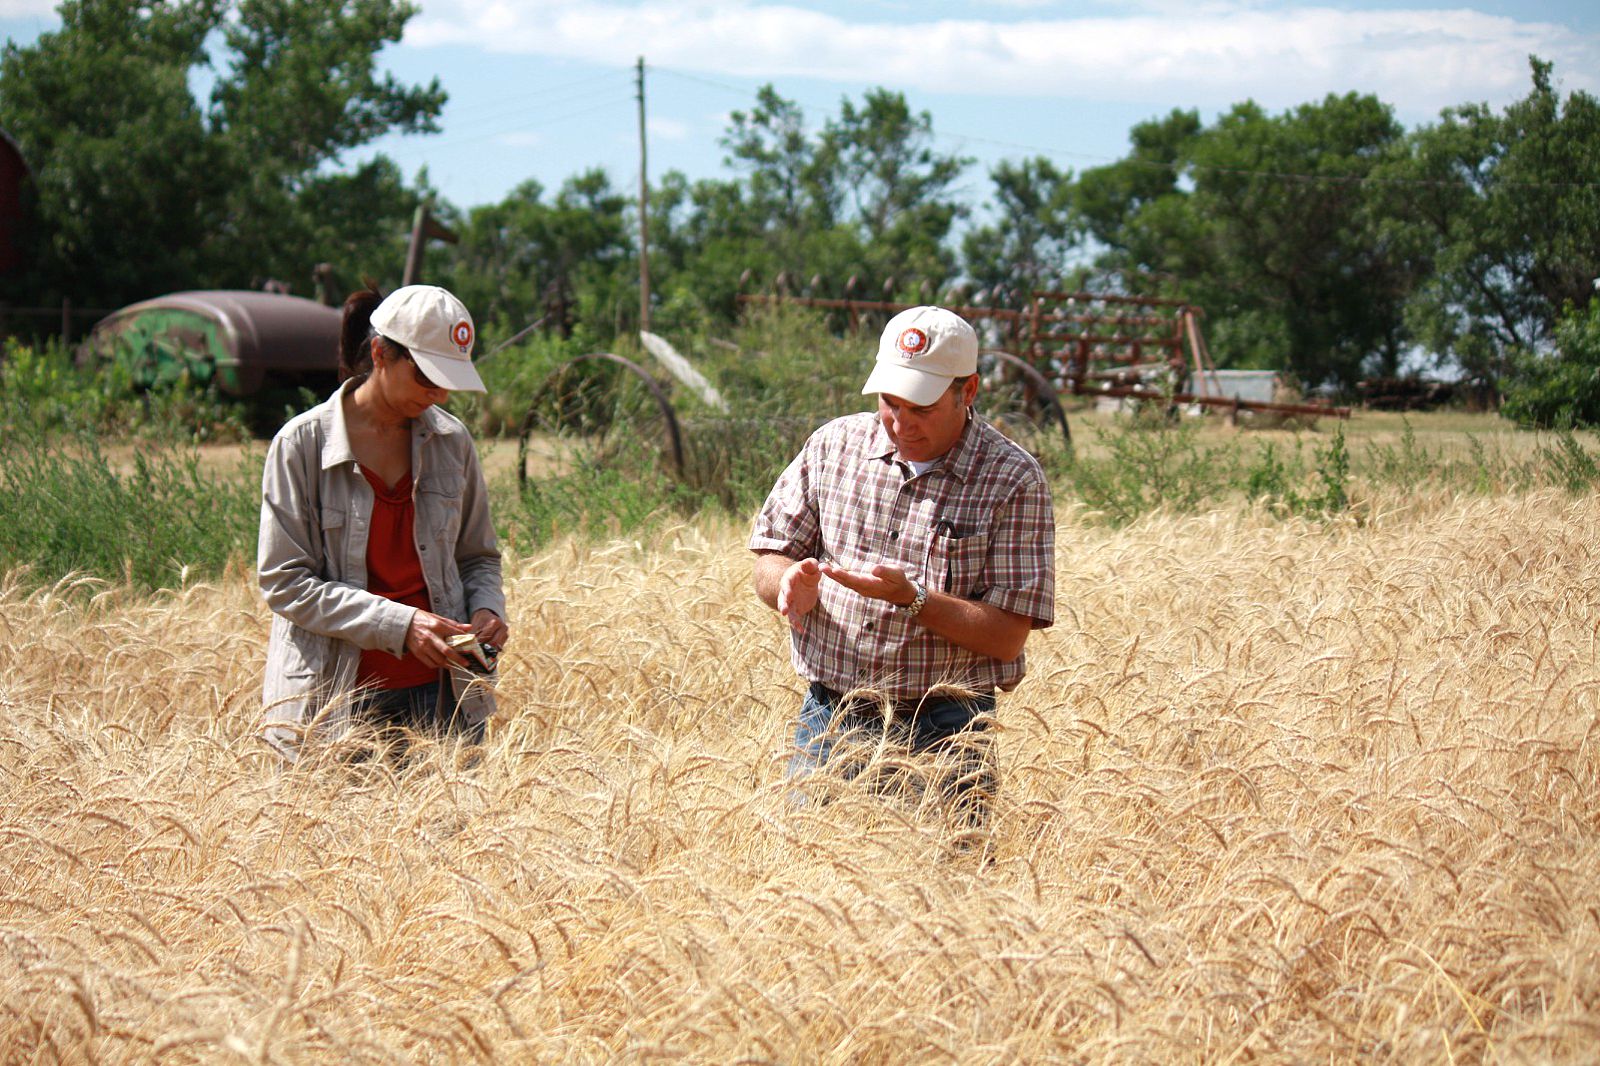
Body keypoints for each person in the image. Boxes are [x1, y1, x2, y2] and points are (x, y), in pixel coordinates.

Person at [750, 305, 1056, 831]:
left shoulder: (1012, 479)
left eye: (921, 405)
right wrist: (787, 584)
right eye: (889, 402)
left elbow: (1008, 637)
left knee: (944, 890)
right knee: (809, 876)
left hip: (945, 727)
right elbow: (769, 557)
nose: (900, 420)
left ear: (969, 391)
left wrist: (911, 600)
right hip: (831, 715)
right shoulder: (832, 446)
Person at [258, 284, 509, 760]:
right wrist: (401, 624)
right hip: (333, 705)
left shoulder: (453, 443)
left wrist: (488, 610)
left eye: (448, 379)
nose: (439, 393)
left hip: (445, 700)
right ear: (380, 354)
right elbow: (284, 582)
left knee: (451, 835)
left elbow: (477, 557)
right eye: (426, 376)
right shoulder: (301, 446)